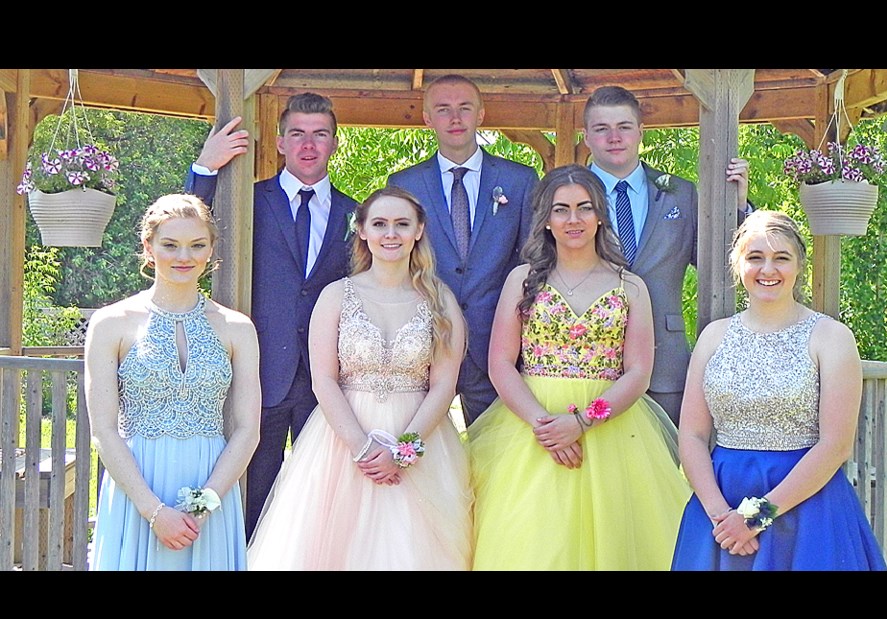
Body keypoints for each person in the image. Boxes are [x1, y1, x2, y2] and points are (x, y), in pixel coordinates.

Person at [468, 164, 691, 570]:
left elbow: (638, 372)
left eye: (584, 208)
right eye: (561, 210)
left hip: (609, 428)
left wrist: (584, 421)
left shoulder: (629, 285)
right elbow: (500, 363)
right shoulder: (522, 280)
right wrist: (546, 426)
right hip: (532, 426)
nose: (574, 219)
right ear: (546, 220)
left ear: (600, 215)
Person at [247, 186, 472, 570]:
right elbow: (324, 381)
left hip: (420, 439)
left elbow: (443, 385)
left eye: (402, 224)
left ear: (418, 230)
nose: (391, 234)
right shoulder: (336, 296)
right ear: (362, 231)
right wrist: (362, 448)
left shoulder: (440, 300)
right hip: (343, 441)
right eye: (380, 224)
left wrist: (405, 450)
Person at [670, 210, 887, 570]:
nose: (767, 269)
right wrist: (720, 516)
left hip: (805, 506)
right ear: (738, 265)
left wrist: (755, 518)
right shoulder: (714, 336)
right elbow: (692, 435)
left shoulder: (831, 338)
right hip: (720, 505)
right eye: (755, 258)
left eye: (781, 258)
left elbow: (835, 445)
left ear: (798, 265)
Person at [185, 93, 356, 539]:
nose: (308, 145)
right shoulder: (248, 200)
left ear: (334, 143)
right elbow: (186, 226)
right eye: (297, 134)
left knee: (319, 498)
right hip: (258, 376)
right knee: (253, 494)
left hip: (325, 382)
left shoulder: (353, 214)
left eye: (320, 135)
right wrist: (205, 168)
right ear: (280, 142)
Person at [86, 194, 261, 570]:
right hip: (138, 490)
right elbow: (102, 430)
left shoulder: (238, 328)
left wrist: (204, 504)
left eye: (197, 245)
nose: (185, 256)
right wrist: (155, 512)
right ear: (149, 247)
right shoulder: (111, 323)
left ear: (211, 249)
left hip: (212, 489)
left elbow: (248, 430)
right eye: (171, 245)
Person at [583, 85, 751, 426]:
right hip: (586, 362)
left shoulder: (680, 192)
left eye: (624, 126)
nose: (614, 137)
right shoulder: (568, 194)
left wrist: (739, 208)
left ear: (640, 132)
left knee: (661, 470)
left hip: (665, 363)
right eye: (602, 128)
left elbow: (721, 262)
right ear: (586, 137)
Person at [387, 73, 540, 426]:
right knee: (420, 456)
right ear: (427, 118)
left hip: (497, 348)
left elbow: (534, 262)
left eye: (464, 108)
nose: (455, 118)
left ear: (481, 114)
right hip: (425, 343)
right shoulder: (404, 184)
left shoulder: (519, 180)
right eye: (443, 109)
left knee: (495, 465)